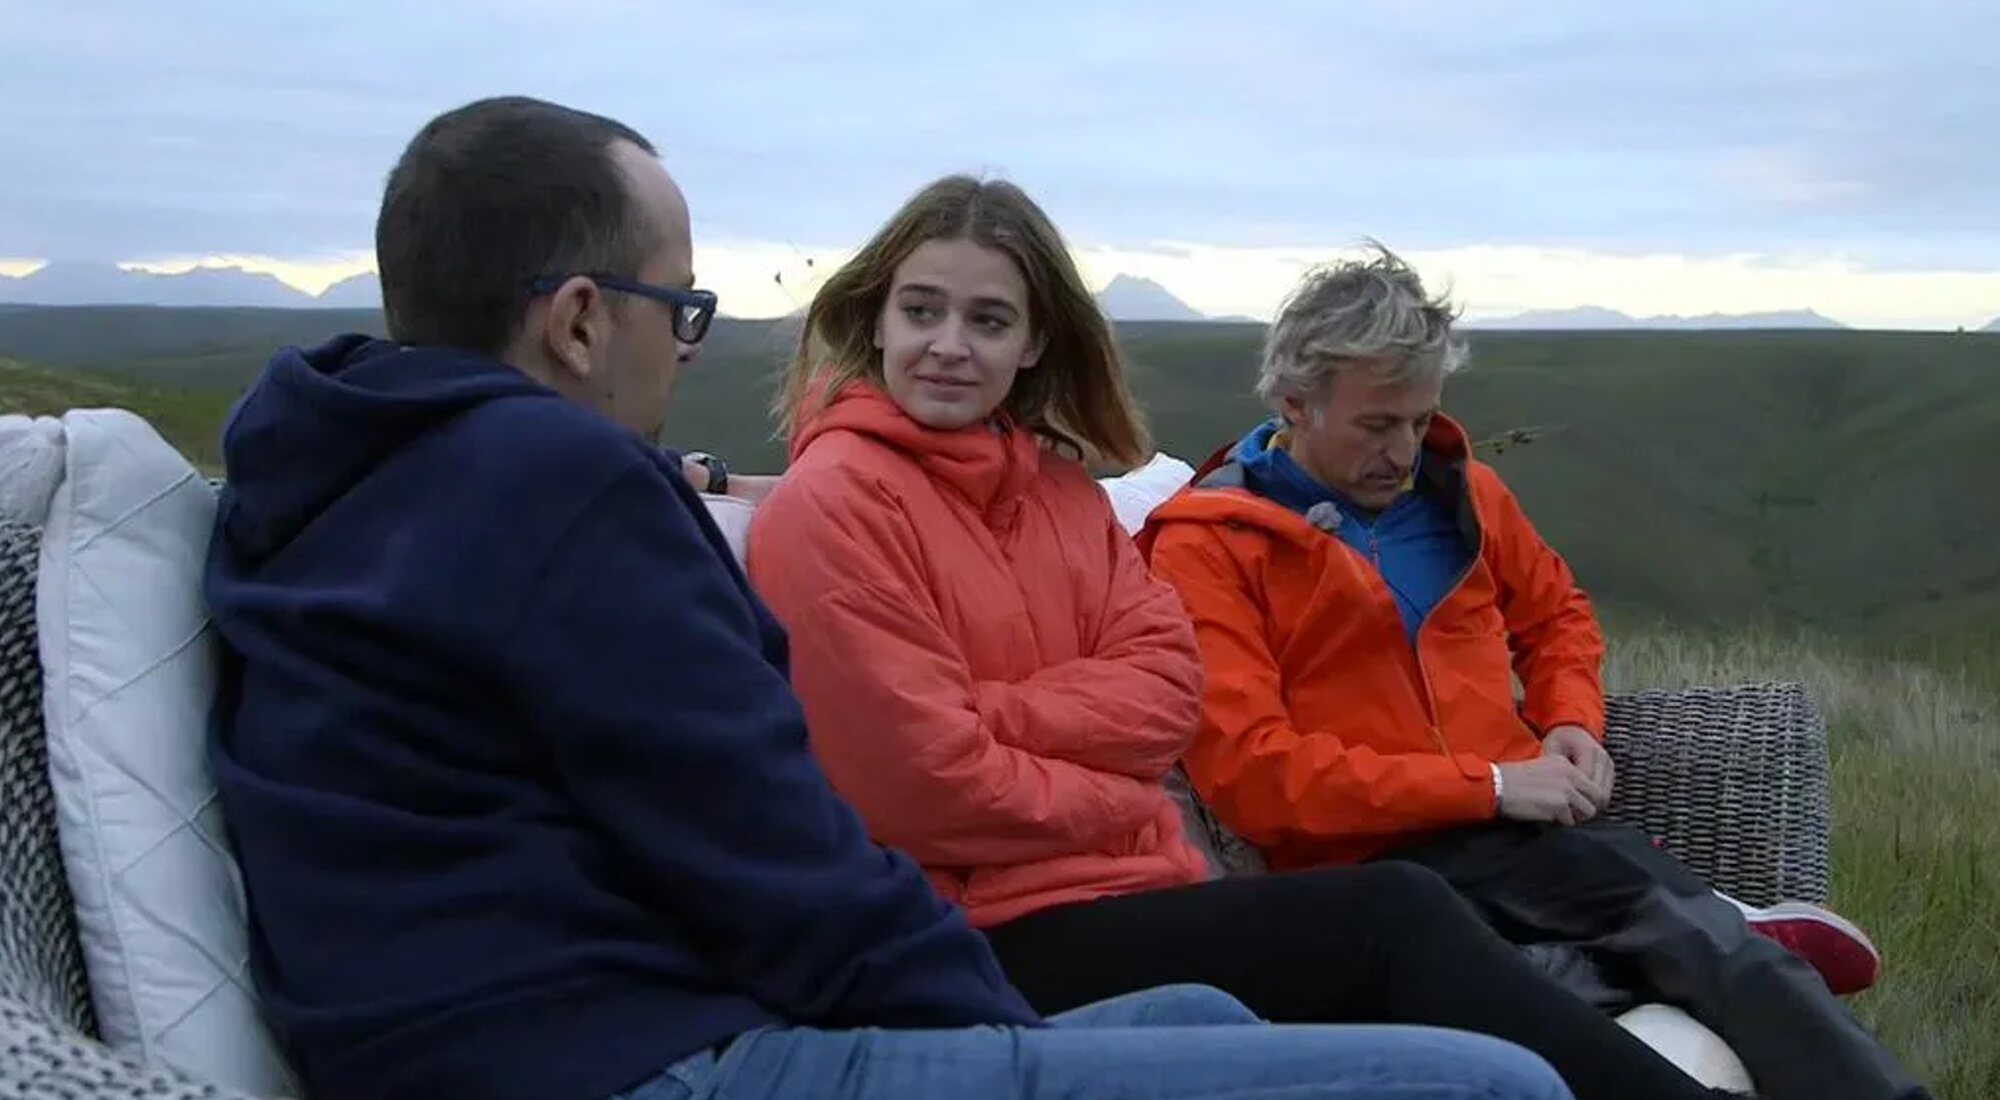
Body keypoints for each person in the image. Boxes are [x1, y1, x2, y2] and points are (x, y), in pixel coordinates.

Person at [203, 96, 1574, 1100]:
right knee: (1485, 1087)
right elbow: (793, 857)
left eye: (992, 320)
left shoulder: (324, 470)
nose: (682, 352)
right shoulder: (569, 484)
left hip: (532, 1028)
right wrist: (998, 1029)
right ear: (575, 319)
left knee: (1202, 1002)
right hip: (636, 1056)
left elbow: (1160, 690)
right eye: (677, 309)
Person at [745, 174, 1758, 1100]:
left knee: (1402, 940)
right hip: (965, 932)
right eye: (920, 310)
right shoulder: (831, 507)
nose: (948, 344)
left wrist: (999, 718)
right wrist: (1106, 782)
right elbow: (914, 784)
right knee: (1387, 916)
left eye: (987, 318)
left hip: (1131, 893)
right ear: (873, 318)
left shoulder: (1060, 498)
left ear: (1034, 342)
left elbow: (1165, 694)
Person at [1138, 247, 1930, 1100]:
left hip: (1527, 845)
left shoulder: (1463, 494)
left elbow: (1557, 618)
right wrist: (1488, 783)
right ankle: (1678, 939)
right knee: (1586, 977)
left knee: (1718, 957)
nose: (1404, 452)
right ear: (1295, 403)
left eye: (1420, 418)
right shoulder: (1207, 546)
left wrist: (1570, 723)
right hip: (1361, 876)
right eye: (1377, 425)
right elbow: (1257, 775)